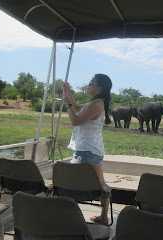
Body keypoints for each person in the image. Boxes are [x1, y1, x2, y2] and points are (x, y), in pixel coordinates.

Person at [63, 73, 112, 225]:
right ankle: (104, 217)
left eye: (92, 82)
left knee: (71, 184)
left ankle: (69, 217)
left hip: (85, 150)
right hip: (93, 149)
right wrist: (69, 94)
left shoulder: (96, 104)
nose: (89, 84)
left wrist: (68, 105)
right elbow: (78, 108)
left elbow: (76, 120)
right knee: (101, 185)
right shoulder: (96, 102)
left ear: (100, 87)